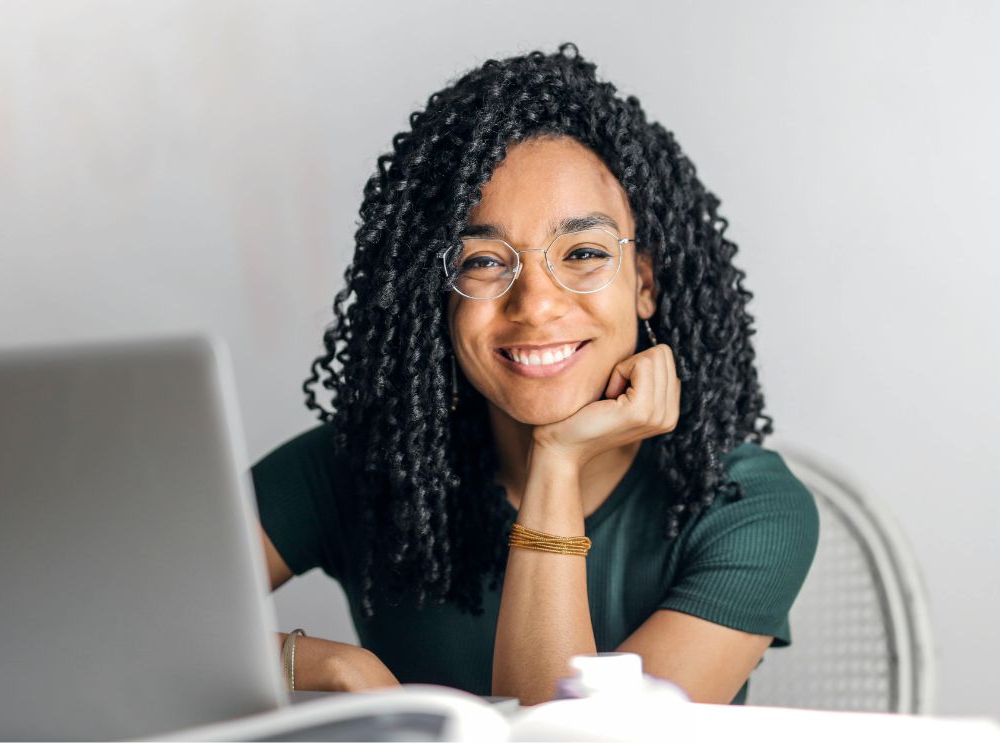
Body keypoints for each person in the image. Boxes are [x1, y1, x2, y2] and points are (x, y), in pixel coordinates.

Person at [253, 43, 819, 707]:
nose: (536, 304)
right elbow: (117, 612)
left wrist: (556, 460)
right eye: (483, 262)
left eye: (581, 252)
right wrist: (329, 666)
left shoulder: (741, 505)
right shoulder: (357, 465)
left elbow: (571, 737)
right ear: (434, 293)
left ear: (644, 282)